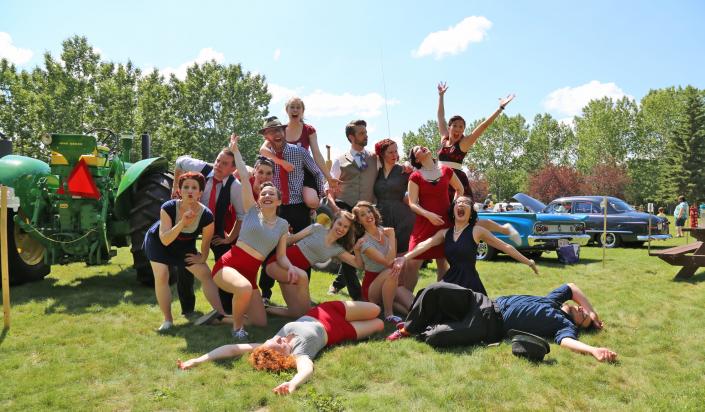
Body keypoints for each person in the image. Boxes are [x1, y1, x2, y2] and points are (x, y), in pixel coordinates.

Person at [177, 301, 384, 395]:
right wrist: (292, 384)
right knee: (380, 324)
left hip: (325, 312)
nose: (278, 338)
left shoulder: (268, 344)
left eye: (274, 340)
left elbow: (232, 348)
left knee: (376, 309)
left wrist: (196, 360)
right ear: (281, 356)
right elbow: (307, 369)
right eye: (279, 343)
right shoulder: (298, 354)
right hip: (341, 331)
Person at [388, 282, 618, 363]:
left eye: (583, 316)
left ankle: (425, 327)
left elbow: (567, 342)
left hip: (489, 326)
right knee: (435, 290)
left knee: (438, 337)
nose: (581, 309)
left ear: (577, 324)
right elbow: (572, 287)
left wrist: (593, 350)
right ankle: (408, 329)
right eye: (582, 309)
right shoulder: (554, 301)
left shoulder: (562, 324)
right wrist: (593, 312)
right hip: (481, 301)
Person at [211, 134, 298, 340]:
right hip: (228, 265)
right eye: (264, 194)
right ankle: (237, 329)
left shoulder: (282, 226)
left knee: (260, 322)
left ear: (279, 201)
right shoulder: (251, 210)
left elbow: (282, 256)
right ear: (259, 198)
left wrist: (291, 267)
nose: (266, 196)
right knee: (242, 288)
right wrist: (236, 150)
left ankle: (222, 318)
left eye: (271, 195)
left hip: (251, 273)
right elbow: (242, 173)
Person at [405, 146, 521, 292]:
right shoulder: (415, 177)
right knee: (412, 263)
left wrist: (454, 206)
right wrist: (428, 215)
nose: (422, 147)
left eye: (423, 146)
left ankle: (439, 299)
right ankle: (407, 300)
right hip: (424, 224)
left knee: (443, 262)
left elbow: (460, 190)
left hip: (446, 220)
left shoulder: (446, 171)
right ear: (416, 159)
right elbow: (412, 203)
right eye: (417, 149)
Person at [399, 196, 537, 295]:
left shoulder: (477, 231)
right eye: (458, 202)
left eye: (466, 203)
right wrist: (404, 258)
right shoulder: (444, 233)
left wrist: (529, 262)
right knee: (429, 295)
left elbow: (505, 247)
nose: (461, 204)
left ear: (471, 212)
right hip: (450, 278)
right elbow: (424, 245)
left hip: (470, 282)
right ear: (453, 210)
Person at [257, 116, 327, 304]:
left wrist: (316, 200)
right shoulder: (264, 158)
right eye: (271, 132)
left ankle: (304, 296)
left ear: (284, 132)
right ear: (267, 136)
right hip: (275, 209)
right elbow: (259, 182)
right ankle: (265, 294)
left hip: (298, 207)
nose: (277, 134)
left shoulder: (300, 152)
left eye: (279, 130)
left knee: (304, 249)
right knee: (270, 250)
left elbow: (316, 172)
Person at [143, 172, 224, 331]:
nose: (190, 191)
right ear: (179, 190)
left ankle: (221, 313)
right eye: (186, 187)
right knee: (162, 276)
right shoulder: (168, 207)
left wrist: (202, 258)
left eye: (194, 187)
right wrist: (182, 223)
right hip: (159, 243)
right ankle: (167, 321)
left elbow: (206, 245)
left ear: (200, 192)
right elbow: (165, 239)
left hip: (184, 246)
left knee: (205, 274)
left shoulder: (206, 215)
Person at [173, 144, 247, 317]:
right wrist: (175, 186)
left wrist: (229, 239)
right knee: (186, 261)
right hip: (190, 222)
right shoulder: (201, 168)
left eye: (224, 163)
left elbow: (242, 216)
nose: (218, 165)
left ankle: (226, 308)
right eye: (217, 160)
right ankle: (188, 309)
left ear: (233, 168)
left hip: (215, 225)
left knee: (225, 262)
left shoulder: (235, 187)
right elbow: (179, 162)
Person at [264, 211, 363, 318]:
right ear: (334, 222)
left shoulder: (337, 249)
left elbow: (358, 264)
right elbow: (290, 241)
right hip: (278, 264)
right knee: (303, 278)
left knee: (297, 313)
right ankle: (310, 314)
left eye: (345, 227)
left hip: (292, 275)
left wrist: (357, 250)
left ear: (348, 230)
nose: (341, 228)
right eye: (339, 224)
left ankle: (263, 309)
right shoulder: (317, 228)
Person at [326, 119, 378, 299]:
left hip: (366, 211)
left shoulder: (374, 158)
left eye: (365, 131)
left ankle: (337, 283)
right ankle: (358, 296)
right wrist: (335, 209)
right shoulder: (340, 161)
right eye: (361, 132)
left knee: (357, 250)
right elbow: (329, 188)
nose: (366, 135)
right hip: (345, 209)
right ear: (351, 137)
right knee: (348, 248)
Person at [436, 81, 515, 200]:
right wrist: (441, 96)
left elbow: (484, 126)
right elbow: (440, 117)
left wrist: (500, 108)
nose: (458, 129)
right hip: (439, 179)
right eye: (455, 126)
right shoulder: (444, 139)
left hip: (456, 183)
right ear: (449, 127)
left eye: (461, 127)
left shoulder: (463, 144)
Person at [259, 97, 338, 210]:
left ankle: (315, 212)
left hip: (303, 170)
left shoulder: (308, 130)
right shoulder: (280, 130)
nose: (295, 110)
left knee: (311, 201)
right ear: (287, 110)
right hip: (283, 171)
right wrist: (282, 163)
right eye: (292, 107)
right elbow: (263, 149)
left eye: (298, 107)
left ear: (302, 111)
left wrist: (329, 177)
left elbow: (317, 154)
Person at [353, 201, 413, 322]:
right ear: (359, 221)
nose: (368, 216)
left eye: (369, 211)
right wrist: (391, 236)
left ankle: (390, 306)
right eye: (363, 215)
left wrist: (391, 236)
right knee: (390, 271)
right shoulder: (364, 242)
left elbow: (393, 257)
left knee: (413, 307)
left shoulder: (385, 231)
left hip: (391, 280)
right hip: (373, 286)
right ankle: (388, 313)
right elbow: (389, 262)